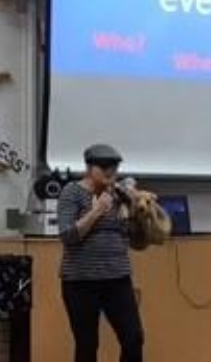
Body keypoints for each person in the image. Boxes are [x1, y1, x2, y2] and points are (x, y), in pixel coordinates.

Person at [57, 143, 144, 362]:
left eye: (114, 168)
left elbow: (135, 238)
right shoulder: (72, 192)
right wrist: (96, 211)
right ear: (89, 168)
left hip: (118, 278)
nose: (110, 172)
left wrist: (134, 212)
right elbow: (67, 236)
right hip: (81, 282)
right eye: (104, 167)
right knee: (87, 345)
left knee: (133, 338)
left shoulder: (119, 194)